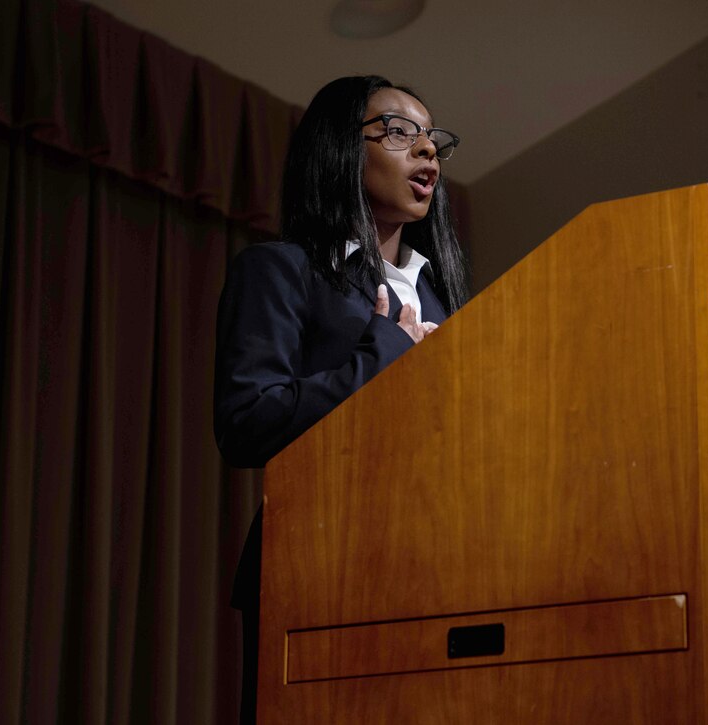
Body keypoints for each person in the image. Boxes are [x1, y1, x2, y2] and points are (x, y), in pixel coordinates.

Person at [212, 75, 468, 724]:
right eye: (399, 131)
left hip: (444, 571)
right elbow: (246, 422)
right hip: (318, 570)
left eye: (432, 138)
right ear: (338, 149)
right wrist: (383, 352)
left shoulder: (445, 300)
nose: (427, 152)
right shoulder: (280, 270)